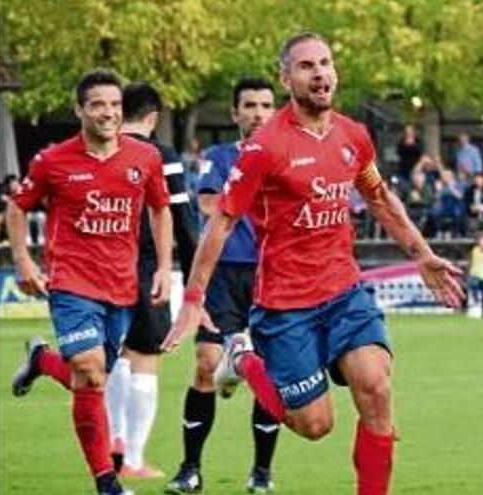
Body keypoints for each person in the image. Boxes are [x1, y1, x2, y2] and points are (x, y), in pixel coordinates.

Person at [160, 32, 464, 495]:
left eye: (325, 63)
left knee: (376, 388)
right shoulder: (265, 147)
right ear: (287, 78)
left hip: (344, 292)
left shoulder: (352, 136)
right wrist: (193, 297)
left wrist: (422, 254)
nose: (320, 72)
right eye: (306, 66)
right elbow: (220, 223)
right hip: (285, 305)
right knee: (314, 424)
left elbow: (378, 197)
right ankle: (243, 360)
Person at [8, 69, 173, 495]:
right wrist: (24, 259)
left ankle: (42, 359)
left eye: (115, 105)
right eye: (98, 104)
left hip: (122, 287)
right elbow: (18, 206)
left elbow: (160, 209)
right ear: (79, 109)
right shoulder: (52, 161)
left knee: (89, 378)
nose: (109, 113)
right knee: (92, 372)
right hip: (71, 283)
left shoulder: (145, 158)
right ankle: (107, 482)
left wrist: (162, 266)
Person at [164, 77, 280, 494]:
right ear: (235, 114)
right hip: (224, 272)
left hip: (272, 275)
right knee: (205, 364)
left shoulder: (286, 156)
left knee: (268, 373)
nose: (258, 113)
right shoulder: (219, 157)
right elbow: (212, 206)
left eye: (266, 105)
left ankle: (262, 472)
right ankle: (190, 468)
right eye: (249, 105)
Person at [104, 81, 198, 479]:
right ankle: (134, 460)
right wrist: (197, 280)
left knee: (114, 357)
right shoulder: (160, 155)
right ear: (153, 117)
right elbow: (182, 220)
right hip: (143, 266)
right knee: (145, 356)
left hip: (98, 265)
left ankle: (114, 441)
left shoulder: (98, 150)